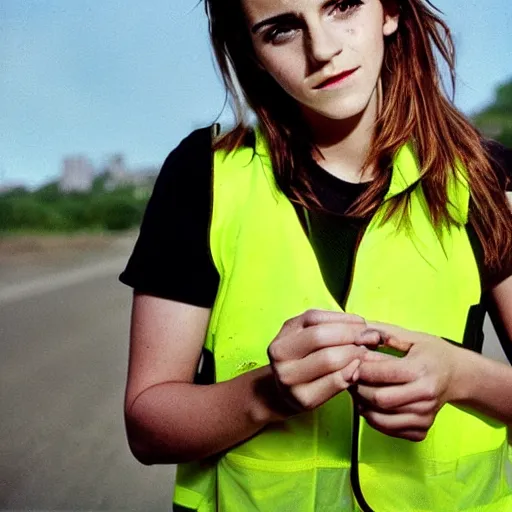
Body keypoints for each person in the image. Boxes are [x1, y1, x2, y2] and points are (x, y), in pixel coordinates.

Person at [120, 0, 512, 510]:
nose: (323, 49)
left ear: (389, 11)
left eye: (342, 5)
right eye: (282, 29)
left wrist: (462, 376)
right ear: (252, 52)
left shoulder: (485, 181)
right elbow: (147, 428)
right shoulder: (206, 178)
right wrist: (266, 396)